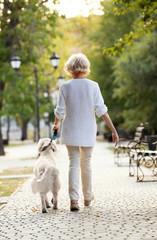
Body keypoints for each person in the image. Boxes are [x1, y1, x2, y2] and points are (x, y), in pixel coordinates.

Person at [53, 53, 119, 211]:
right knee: (86, 164)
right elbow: (102, 111)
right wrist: (113, 130)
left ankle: (74, 200)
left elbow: (60, 112)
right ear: (85, 67)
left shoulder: (65, 86)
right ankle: (87, 197)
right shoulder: (93, 85)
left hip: (71, 130)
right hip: (88, 130)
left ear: (70, 68)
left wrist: (56, 125)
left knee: (73, 164)